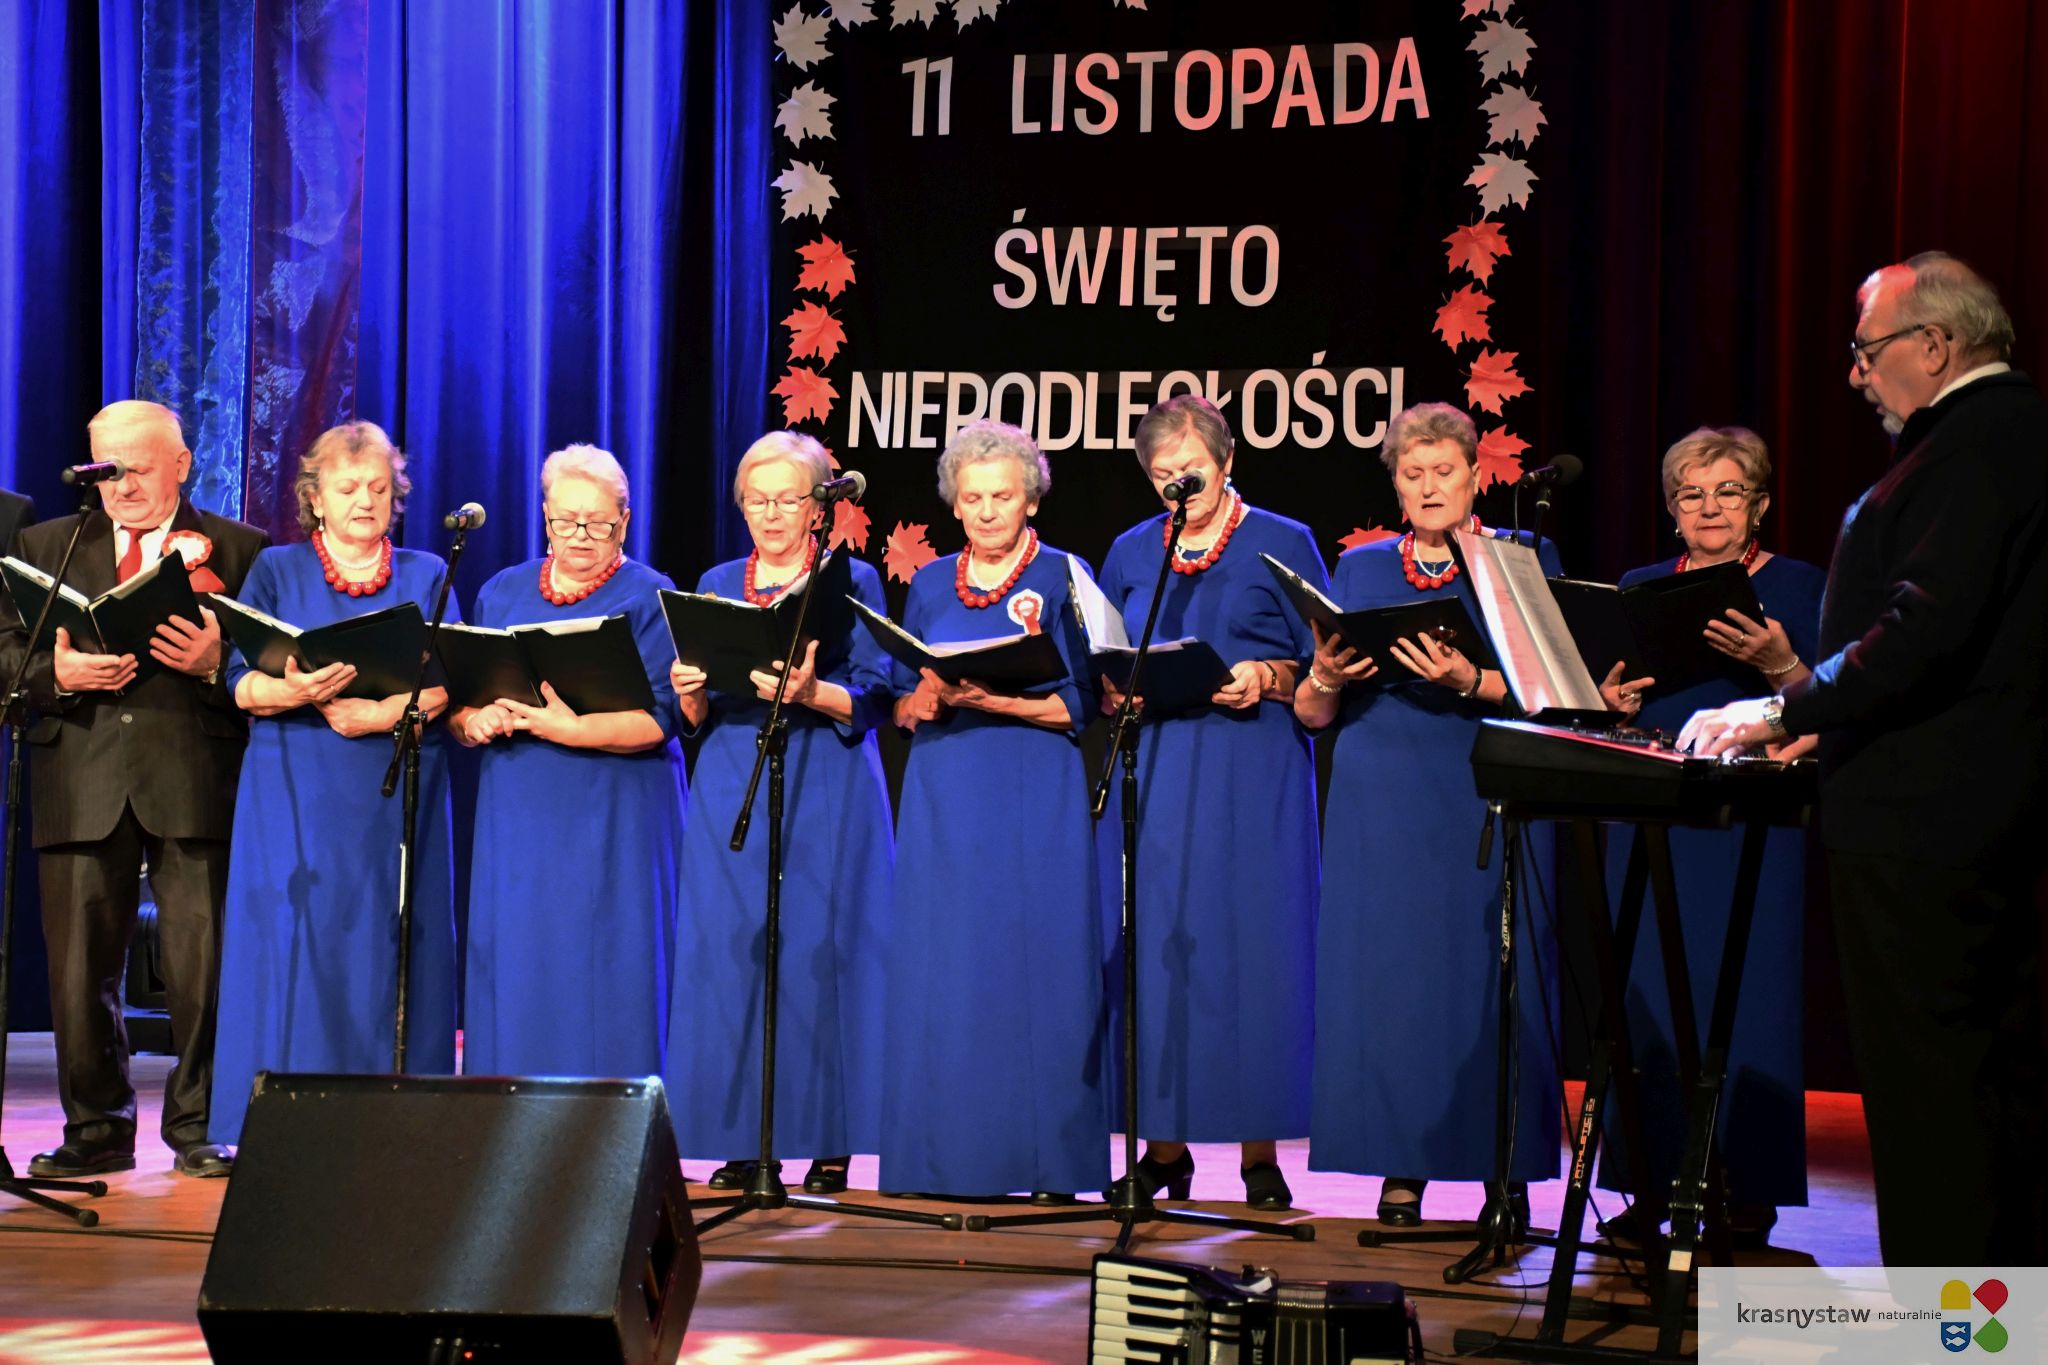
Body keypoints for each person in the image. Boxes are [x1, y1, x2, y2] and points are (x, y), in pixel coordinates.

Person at [1684, 252, 2048, 1264]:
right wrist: (1824, 720)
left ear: (1933, 345)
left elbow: (1924, 629)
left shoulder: (1975, 442)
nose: (1854, 374)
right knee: (1979, 1087)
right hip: (1965, 812)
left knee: (1933, 1097)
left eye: (1865, 349)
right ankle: (1990, 1319)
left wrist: (1783, 707)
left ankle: (1951, 1324)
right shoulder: (2002, 432)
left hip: (1927, 824)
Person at [1300, 402, 1614, 1228]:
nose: (1430, 486)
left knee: (1491, 977)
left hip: (1488, 782)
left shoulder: (1521, 556)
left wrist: (1469, 682)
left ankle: (1502, 1168)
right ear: (1396, 486)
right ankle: (1401, 1164)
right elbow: (1311, 713)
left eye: (1445, 471)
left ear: (1477, 476)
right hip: (1380, 796)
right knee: (1393, 979)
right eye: (1413, 474)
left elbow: (1563, 691)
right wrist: (1326, 673)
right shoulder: (1360, 568)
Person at [0, 401, 267, 1178]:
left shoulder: (241, 549)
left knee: (202, 964)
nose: (121, 488)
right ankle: (96, 1126)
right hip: (79, 773)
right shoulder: (47, 544)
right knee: (78, 970)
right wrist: (57, 672)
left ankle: (200, 1124)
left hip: (192, 776)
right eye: (106, 471)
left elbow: (272, 670)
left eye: (138, 470)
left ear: (182, 463)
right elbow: (6, 656)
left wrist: (216, 665)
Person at [1095, 394, 1326, 1211]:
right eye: (1163, 475)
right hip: (1160, 766)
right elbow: (1107, 653)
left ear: (1228, 463)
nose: (1178, 487)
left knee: (1254, 949)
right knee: (1162, 950)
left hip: (1255, 765)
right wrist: (1117, 689)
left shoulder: (1283, 540)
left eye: (1191, 470)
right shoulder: (1132, 550)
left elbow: (1328, 661)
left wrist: (1267, 676)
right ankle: (1164, 1149)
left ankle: (1260, 1152)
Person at [1595, 427, 1825, 1249]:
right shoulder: (1641, 587)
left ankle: (1745, 1188)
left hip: (1751, 820)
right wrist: (1611, 701)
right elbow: (1607, 697)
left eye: (1729, 491)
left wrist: (1779, 660)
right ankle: (1648, 1185)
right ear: (1672, 509)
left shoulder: (1799, 585)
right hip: (1655, 814)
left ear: (1759, 503)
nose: (1710, 507)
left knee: (1752, 996)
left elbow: (1830, 702)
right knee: (1650, 1001)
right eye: (1691, 494)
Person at [208, 421, 458, 1146]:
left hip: (394, 783)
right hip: (296, 783)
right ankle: (285, 1120)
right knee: (298, 936)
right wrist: (294, 692)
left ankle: (396, 1119)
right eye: (348, 488)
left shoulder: (426, 574)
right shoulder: (277, 570)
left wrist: (377, 714)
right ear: (315, 498)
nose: (364, 501)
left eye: (379, 488)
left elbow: (451, 683)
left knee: (384, 941)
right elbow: (237, 681)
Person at [878, 419, 1109, 1200]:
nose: (986, 510)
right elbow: (902, 698)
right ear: (954, 503)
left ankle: (1048, 1166)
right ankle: (941, 1160)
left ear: (1030, 499)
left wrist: (1000, 701)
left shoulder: (1066, 573)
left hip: (1035, 789)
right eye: (972, 497)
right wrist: (919, 701)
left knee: (1040, 966)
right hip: (946, 792)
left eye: (1002, 496)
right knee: (949, 969)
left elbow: (1087, 702)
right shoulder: (930, 583)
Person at [664, 431, 892, 1196]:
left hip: (826, 769)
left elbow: (877, 694)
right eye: (755, 500)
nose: (769, 514)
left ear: (817, 505)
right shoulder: (717, 580)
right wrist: (690, 692)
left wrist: (811, 692)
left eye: (786, 499)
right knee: (736, 953)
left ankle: (829, 1138)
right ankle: (742, 1138)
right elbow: (693, 714)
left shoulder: (853, 578)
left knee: (824, 952)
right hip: (735, 769)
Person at [455, 444, 685, 1082]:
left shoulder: (652, 595)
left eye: (598, 523)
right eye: (565, 520)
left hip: (615, 809)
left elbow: (663, 719)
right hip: (520, 811)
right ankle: (509, 1112)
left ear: (624, 522)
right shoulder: (501, 591)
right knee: (523, 960)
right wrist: (473, 722)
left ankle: (613, 1120)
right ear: (545, 517)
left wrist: (574, 729)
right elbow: (465, 697)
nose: (580, 535)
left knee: (607, 966)